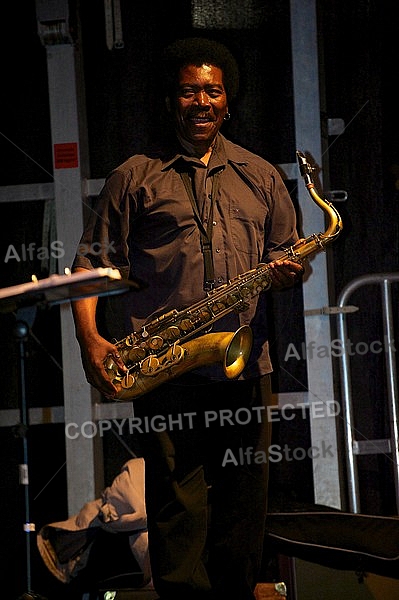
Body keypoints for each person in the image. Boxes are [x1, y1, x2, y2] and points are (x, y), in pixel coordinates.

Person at [71, 37, 304, 600]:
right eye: (189, 90)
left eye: (213, 91)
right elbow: (91, 268)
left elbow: (286, 255)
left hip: (246, 369)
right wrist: (92, 342)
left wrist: (288, 268)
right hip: (168, 368)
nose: (202, 101)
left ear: (228, 101)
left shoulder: (261, 175)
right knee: (179, 513)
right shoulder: (136, 175)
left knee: (245, 512)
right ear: (170, 100)